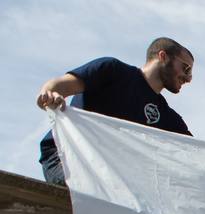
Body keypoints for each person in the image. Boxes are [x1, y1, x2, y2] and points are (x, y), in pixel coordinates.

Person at [35, 38, 193, 185]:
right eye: (186, 68)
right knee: (97, 194)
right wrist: (50, 94)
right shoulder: (112, 70)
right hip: (66, 155)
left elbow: (196, 153)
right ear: (163, 56)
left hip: (108, 172)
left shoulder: (167, 117)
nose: (189, 78)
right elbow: (60, 85)